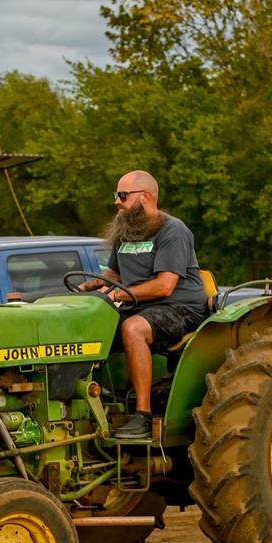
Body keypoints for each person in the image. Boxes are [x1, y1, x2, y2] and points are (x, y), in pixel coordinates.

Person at [80, 170, 208, 439]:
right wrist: (87, 288)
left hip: (180, 308)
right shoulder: (127, 231)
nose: (117, 202)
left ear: (146, 197)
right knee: (88, 323)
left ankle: (142, 415)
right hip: (142, 306)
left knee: (133, 328)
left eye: (122, 196)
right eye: (117, 196)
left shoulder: (173, 230)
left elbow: (165, 286)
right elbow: (113, 275)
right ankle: (94, 402)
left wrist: (117, 295)